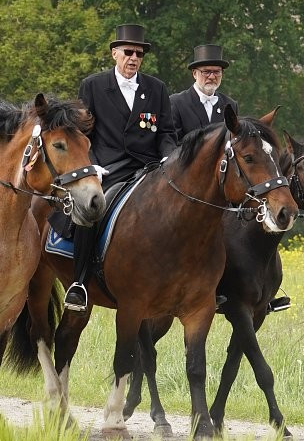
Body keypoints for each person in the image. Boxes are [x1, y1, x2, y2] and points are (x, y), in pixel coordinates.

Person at [64, 23, 178, 311]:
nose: (134, 58)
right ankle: (79, 282)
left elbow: (166, 133)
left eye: (139, 54)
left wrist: (169, 157)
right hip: (107, 166)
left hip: (149, 167)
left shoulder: (156, 88)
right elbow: (82, 132)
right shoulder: (93, 85)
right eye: (128, 52)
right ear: (115, 53)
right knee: (91, 209)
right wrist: (91, 165)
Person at [170, 44, 238, 140]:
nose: (212, 76)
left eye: (217, 72)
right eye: (206, 72)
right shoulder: (176, 102)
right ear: (194, 74)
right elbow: (173, 142)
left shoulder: (230, 105)